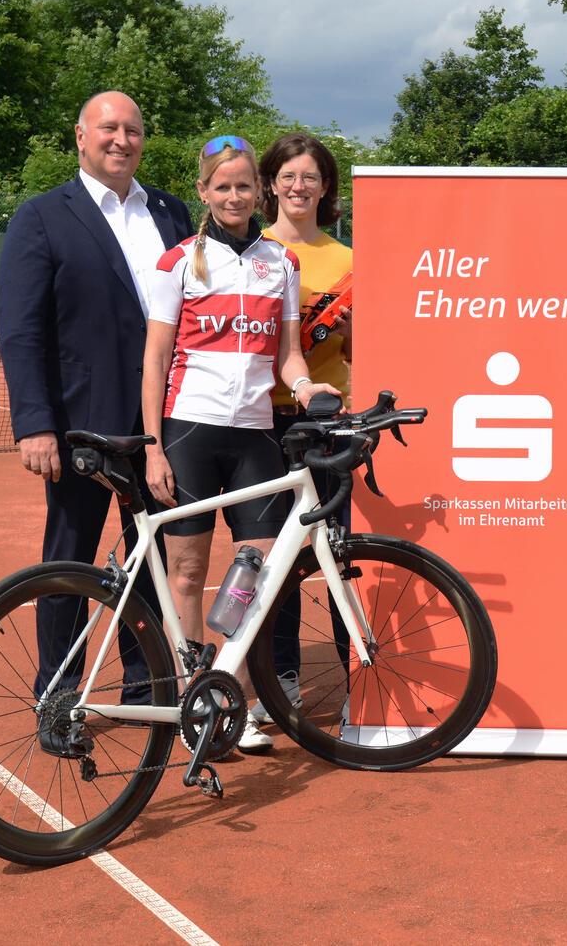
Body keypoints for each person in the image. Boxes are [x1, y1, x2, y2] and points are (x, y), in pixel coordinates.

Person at [141, 135, 340, 754]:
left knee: (256, 570)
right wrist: (152, 445)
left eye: (244, 185)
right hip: (188, 430)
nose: (234, 195)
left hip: (255, 433)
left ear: (260, 191)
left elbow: (288, 354)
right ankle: (192, 692)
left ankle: (234, 693)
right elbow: (154, 361)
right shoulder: (179, 262)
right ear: (203, 192)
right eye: (221, 186)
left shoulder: (281, 263)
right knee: (189, 570)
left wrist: (307, 387)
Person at [0, 90, 194, 699]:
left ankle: (144, 688)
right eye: (108, 128)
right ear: (80, 137)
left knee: (152, 559)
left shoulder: (172, 211)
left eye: (133, 130)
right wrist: (35, 423)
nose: (122, 140)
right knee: (70, 564)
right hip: (82, 426)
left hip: (164, 424)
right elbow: (21, 328)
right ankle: (58, 692)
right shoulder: (42, 215)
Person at [249, 131, 354, 732]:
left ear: (325, 187)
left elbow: (359, 347)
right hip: (261, 423)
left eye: (309, 176)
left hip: (327, 424)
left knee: (337, 551)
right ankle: (281, 677)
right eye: (287, 175)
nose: (298, 186)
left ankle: (357, 680)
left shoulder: (348, 261)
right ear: (270, 185)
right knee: (276, 557)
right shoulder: (247, 249)